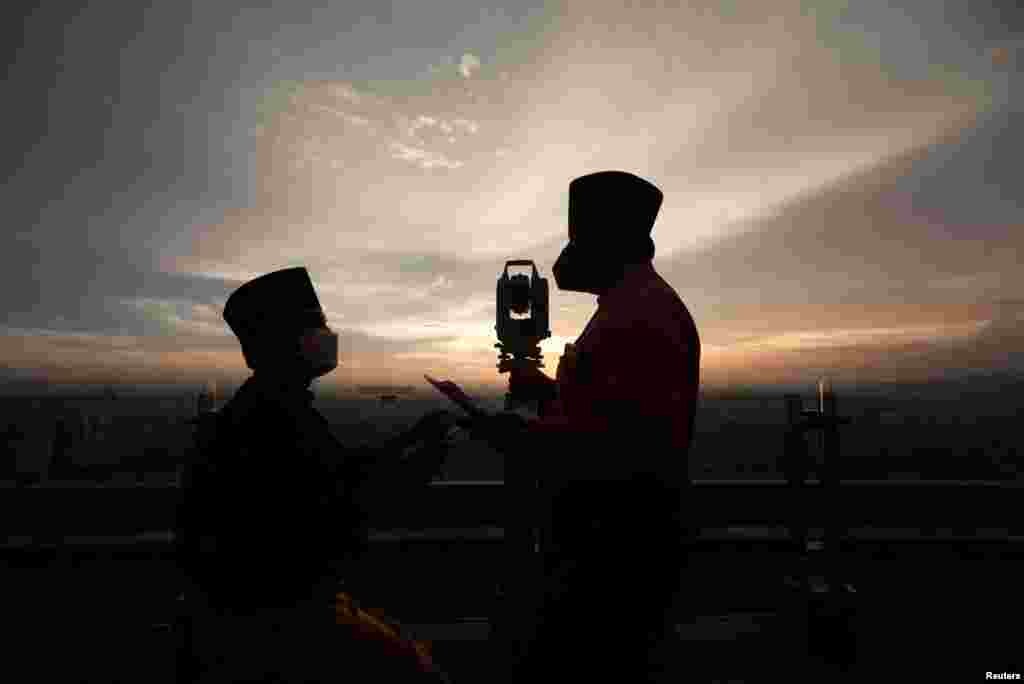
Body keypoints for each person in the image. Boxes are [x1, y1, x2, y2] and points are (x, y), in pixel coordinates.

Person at [472, 170, 701, 680]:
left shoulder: (637, 315)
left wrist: (517, 436)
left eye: (578, 239)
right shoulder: (632, 305)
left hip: (613, 550)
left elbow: (614, 444)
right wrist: (547, 392)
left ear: (607, 241)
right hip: (613, 539)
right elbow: (610, 407)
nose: (567, 254)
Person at [177, 266, 455, 683]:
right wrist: (422, 465)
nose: (327, 336)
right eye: (316, 327)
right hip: (281, 624)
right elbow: (345, 504)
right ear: (285, 343)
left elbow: (335, 470)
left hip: (262, 615)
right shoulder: (275, 419)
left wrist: (407, 441)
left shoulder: (267, 407)